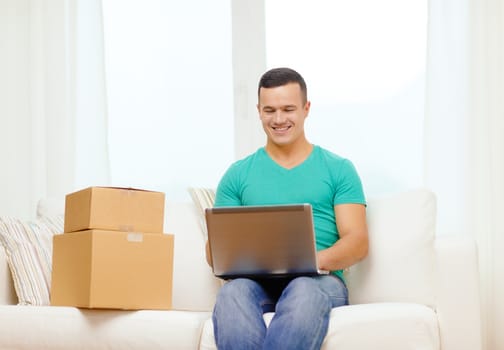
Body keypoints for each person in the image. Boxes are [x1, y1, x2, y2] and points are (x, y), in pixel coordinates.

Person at [205, 67, 368, 350]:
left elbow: (357, 241)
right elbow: (214, 253)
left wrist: (312, 261)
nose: (278, 119)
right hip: (255, 282)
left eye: (288, 109)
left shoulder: (338, 169)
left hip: (319, 282)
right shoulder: (237, 174)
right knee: (232, 293)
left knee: (303, 288)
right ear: (258, 111)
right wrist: (227, 253)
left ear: (306, 109)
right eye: (269, 110)